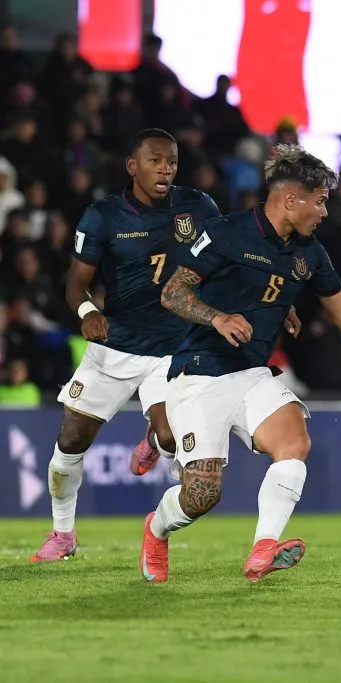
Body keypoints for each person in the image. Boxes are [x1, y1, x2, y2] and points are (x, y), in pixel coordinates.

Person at [139, 143, 341, 583]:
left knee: (295, 442)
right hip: (200, 371)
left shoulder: (309, 253)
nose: (323, 211)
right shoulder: (225, 233)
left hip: (252, 373)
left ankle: (263, 549)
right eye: (318, 201)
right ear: (290, 199)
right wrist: (217, 317)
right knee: (201, 496)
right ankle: (155, 529)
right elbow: (174, 292)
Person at [30, 129, 223, 562]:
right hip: (114, 348)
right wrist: (87, 313)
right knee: (70, 444)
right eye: (155, 161)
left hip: (172, 350)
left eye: (171, 161)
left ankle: (155, 441)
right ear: (132, 166)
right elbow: (76, 285)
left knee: (172, 437)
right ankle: (63, 535)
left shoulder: (199, 207)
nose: (166, 169)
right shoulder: (103, 217)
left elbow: (226, 259)